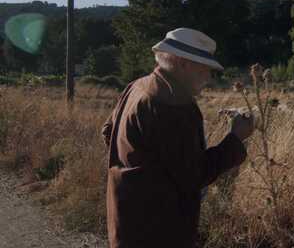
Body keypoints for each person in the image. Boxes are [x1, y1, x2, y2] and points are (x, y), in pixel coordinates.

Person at [101, 28, 254, 248]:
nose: (209, 77)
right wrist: (236, 138)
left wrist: (136, 169)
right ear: (183, 64)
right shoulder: (172, 104)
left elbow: (108, 131)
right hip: (159, 231)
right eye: (205, 69)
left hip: (126, 220)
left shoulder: (138, 86)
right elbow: (194, 175)